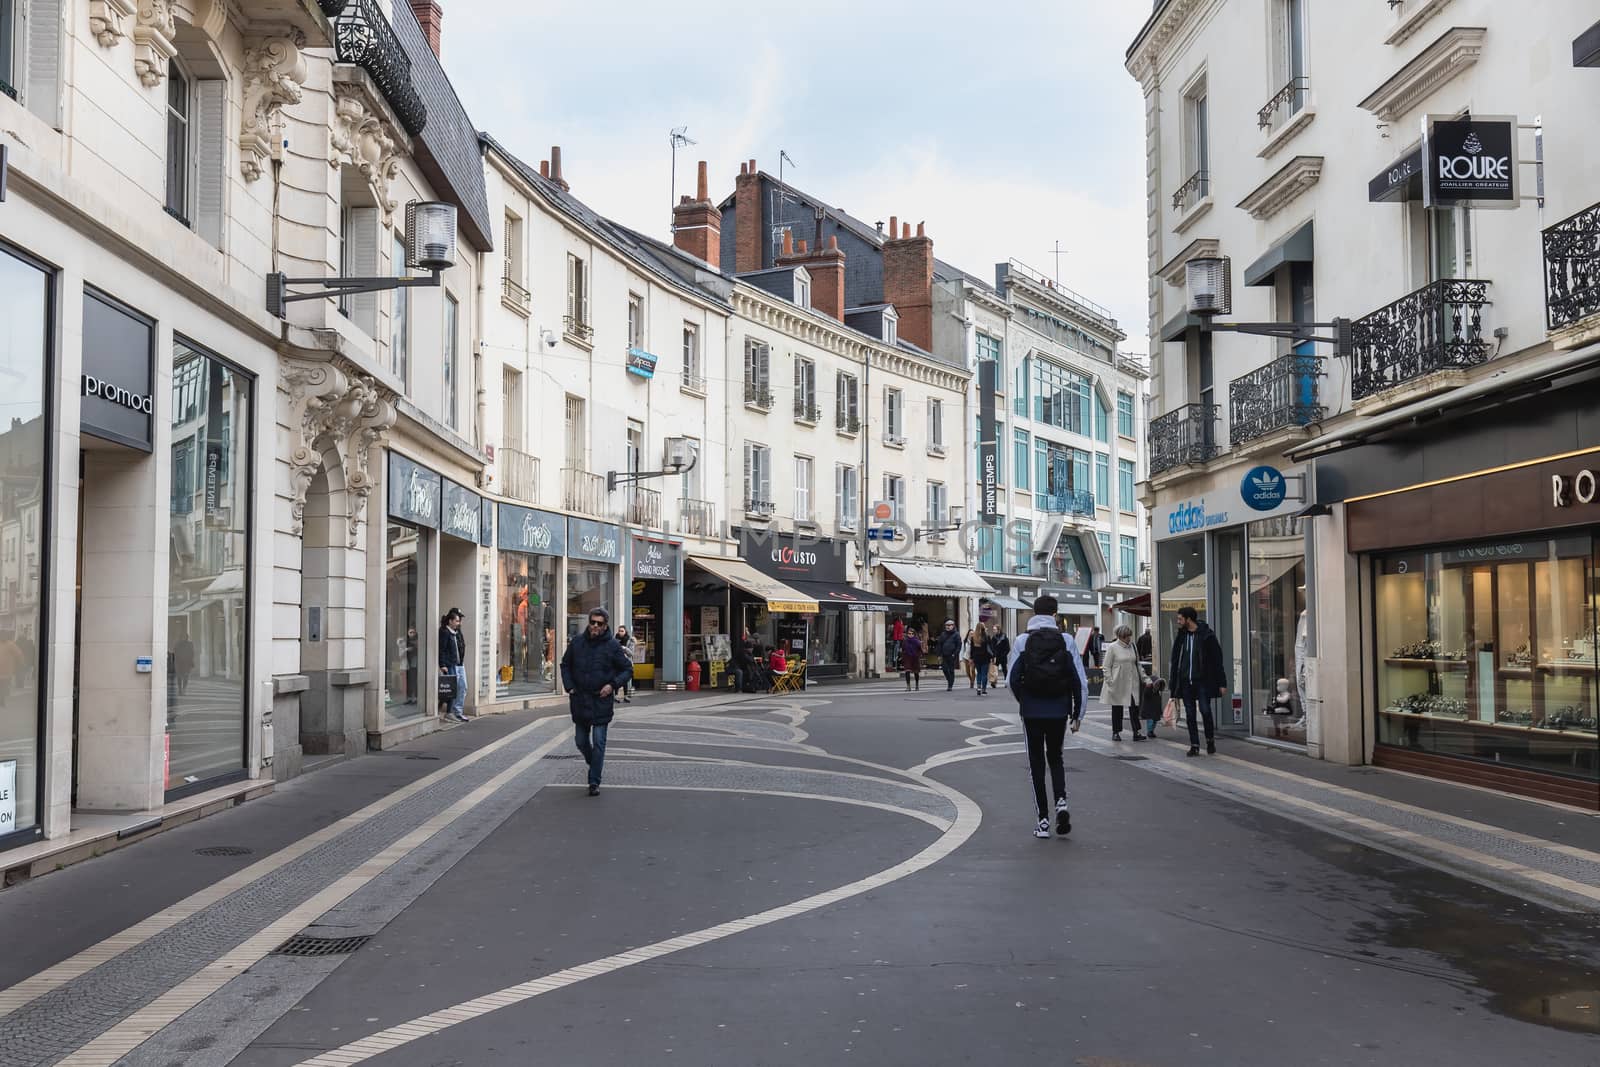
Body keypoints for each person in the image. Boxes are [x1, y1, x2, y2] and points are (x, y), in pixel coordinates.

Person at [1008, 595, 1082, 839]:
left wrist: (1024, 700)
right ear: (1055, 614)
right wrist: (1077, 713)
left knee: (1036, 764)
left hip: (1032, 711)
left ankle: (1043, 822)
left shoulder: (1022, 640)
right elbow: (1078, 678)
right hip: (1059, 710)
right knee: (1056, 757)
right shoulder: (1066, 640)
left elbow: (1011, 679)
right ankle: (1061, 801)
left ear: (1034, 613)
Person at [560, 606, 632, 795]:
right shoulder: (577, 643)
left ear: (605, 625)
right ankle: (594, 764)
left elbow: (627, 669)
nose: (594, 626)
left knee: (599, 742)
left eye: (599, 624)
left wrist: (612, 685)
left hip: (601, 701)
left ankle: (594, 782)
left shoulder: (613, 646)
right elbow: (565, 664)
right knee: (580, 741)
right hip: (580, 700)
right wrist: (570, 686)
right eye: (592, 622)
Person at [1170, 605, 1228, 756]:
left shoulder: (1207, 635)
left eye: (1180, 618)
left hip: (1203, 681)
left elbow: (1217, 660)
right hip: (1185, 682)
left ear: (1189, 619)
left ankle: (1209, 740)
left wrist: (1222, 682)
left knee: (1205, 711)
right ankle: (1194, 745)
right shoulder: (1181, 636)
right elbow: (1175, 661)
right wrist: (1173, 686)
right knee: (1189, 714)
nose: (1178, 621)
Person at [1102, 624, 1146, 741]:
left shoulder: (1132, 646)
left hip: (1132, 681)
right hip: (1118, 682)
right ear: (1121, 636)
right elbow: (1106, 666)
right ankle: (1116, 732)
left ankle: (1136, 731)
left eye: (1129, 636)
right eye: (1127, 636)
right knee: (1117, 708)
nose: (1129, 639)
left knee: (1134, 707)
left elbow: (1137, 664)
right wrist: (1110, 681)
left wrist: (1145, 678)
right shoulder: (1112, 647)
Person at [438, 609, 468, 723]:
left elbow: (460, 646)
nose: (459, 622)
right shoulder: (445, 632)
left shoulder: (456, 632)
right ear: (450, 621)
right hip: (451, 664)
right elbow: (442, 649)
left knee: (462, 687)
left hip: (459, 663)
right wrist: (442, 664)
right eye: (457, 620)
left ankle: (456, 712)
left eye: (459, 620)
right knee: (451, 688)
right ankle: (449, 712)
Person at [936, 619, 963, 691]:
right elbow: (939, 644)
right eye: (946, 625)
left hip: (952, 655)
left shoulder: (956, 634)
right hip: (944, 655)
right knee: (944, 669)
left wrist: (955, 653)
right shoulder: (943, 634)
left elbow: (959, 645)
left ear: (953, 626)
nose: (948, 627)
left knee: (951, 670)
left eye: (949, 625)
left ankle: (950, 685)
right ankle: (949, 680)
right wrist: (938, 654)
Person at [614, 625, 638, 703]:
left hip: (626, 662)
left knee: (625, 679)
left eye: (622, 631)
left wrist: (624, 648)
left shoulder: (629, 640)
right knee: (617, 678)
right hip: (617, 662)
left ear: (625, 631)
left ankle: (625, 696)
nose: (620, 632)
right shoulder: (615, 640)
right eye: (619, 631)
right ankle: (616, 695)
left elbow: (631, 653)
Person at [970, 624, 993, 696]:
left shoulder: (973, 637)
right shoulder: (986, 637)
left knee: (979, 673)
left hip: (976, 658)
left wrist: (971, 658)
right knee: (984, 674)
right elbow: (990, 648)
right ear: (983, 628)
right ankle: (984, 690)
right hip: (985, 657)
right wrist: (992, 656)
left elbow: (972, 649)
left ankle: (979, 688)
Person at [174, 631, 196, 697]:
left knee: (185, 677)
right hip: (180, 663)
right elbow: (175, 653)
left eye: (185, 637)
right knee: (180, 677)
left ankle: (183, 689)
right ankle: (181, 689)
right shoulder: (178, 644)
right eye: (183, 637)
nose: (184, 638)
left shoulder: (189, 644)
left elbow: (192, 653)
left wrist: (191, 661)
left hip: (185, 663)